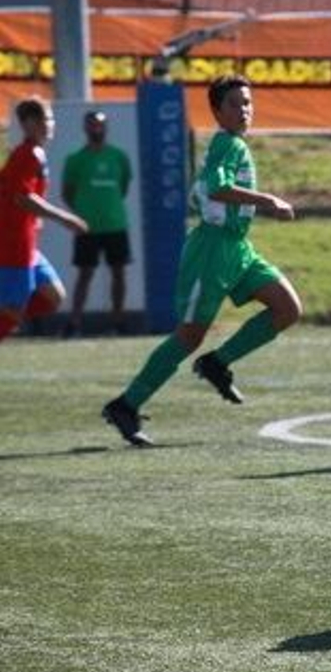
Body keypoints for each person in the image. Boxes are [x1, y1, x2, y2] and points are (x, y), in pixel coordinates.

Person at [102, 74, 302, 447]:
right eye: (234, 104)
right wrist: (268, 200)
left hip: (237, 249)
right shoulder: (225, 143)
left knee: (287, 308)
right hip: (210, 251)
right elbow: (217, 188)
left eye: (247, 102)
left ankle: (217, 362)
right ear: (216, 110)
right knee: (189, 335)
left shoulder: (235, 144)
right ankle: (125, 404)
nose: (244, 110)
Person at [1, 98, 88, 343]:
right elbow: (21, 198)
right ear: (28, 123)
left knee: (53, 298)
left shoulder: (33, 153)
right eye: (43, 119)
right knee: (14, 312)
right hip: (12, 245)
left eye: (50, 118)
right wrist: (64, 218)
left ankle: (9, 313)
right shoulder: (26, 154)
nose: (49, 124)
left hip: (26, 245)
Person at [61, 109, 135, 335]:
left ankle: (118, 322)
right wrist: (82, 213)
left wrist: (107, 207)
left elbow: (123, 187)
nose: (97, 128)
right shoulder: (75, 159)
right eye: (92, 125)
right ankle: (74, 323)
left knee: (118, 273)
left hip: (116, 224)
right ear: (85, 128)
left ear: (106, 127)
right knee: (84, 274)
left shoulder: (119, 156)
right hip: (87, 227)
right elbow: (67, 193)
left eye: (100, 124)